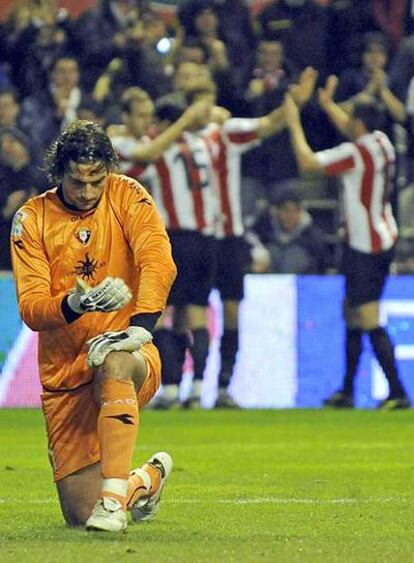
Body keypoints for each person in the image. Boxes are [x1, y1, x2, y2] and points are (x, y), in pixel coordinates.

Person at [10, 120, 177, 532]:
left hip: (128, 351)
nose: (87, 192)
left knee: (117, 360)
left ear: (109, 172)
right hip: (65, 372)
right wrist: (74, 302)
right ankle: (144, 480)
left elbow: (158, 259)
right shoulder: (31, 219)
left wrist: (140, 326)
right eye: (76, 182)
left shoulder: (128, 195)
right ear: (58, 174)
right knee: (76, 515)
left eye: (96, 182)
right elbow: (31, 309)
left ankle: (112, 503)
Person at [285, 83, 410, 410]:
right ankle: (348, 391)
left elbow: (308, 161)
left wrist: (293, 120)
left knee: (367, 316)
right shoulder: (382, 143)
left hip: (363, 245)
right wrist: (327, 105)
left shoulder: (355, 153)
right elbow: (352, 127)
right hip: (381, 236)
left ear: (359, 124)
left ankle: (398, 392)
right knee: (352, 311)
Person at [251, 182, 327, 274]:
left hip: (300, 283)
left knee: (294, 255)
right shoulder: (264, 231)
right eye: (286, 210)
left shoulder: (312, 237)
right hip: (269, 284)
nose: (290, 216)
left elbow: (320, 267)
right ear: (277, 211)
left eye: (295, 211)